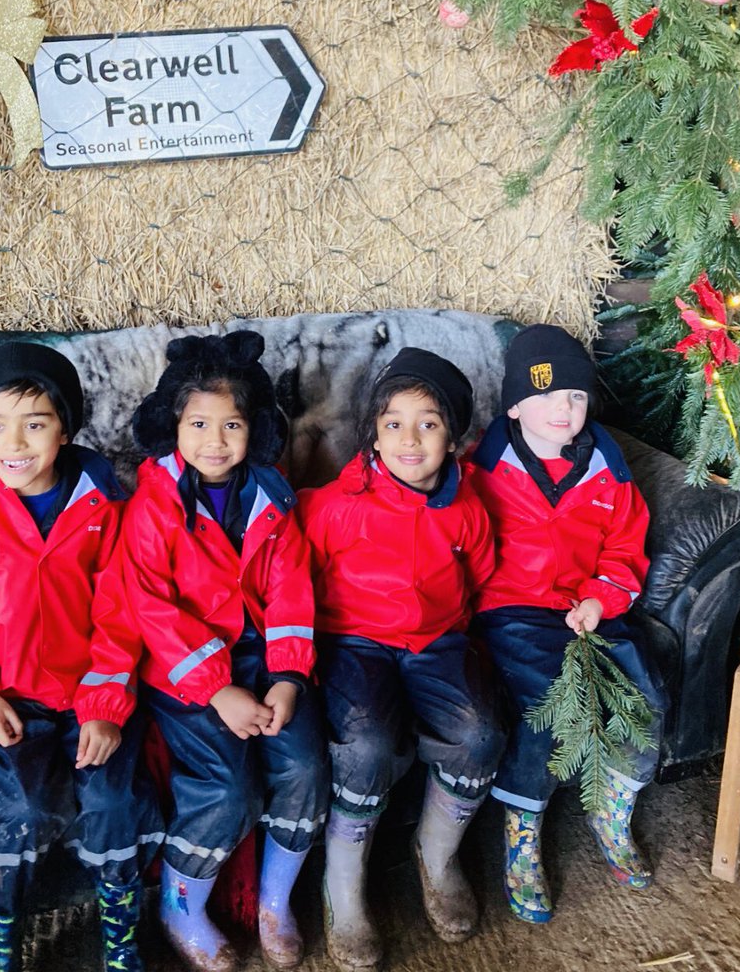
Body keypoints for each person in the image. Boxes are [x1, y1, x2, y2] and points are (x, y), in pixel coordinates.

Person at [0, 341, 161, 972]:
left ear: (65, 430)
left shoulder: (103, 510)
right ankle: (1, 933)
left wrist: (102, 708)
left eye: (35, 424)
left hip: (91, 698)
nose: (13, 443)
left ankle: (120, 935)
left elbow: (121, 614)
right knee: (14, 811)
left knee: (116, 805)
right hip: (10, 701)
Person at [121, 330, 328, 972]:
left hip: (264, 660)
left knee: (305, 767)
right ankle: (181, 905)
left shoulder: (273, 499)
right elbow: (150, 606)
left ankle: (274, 902)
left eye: (232, 424)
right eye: (199, 423)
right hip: (189, 672)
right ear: (172, 427)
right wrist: (217, 688)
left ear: (256, 429)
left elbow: (292, 590)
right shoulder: (153, 506)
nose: (216, 441)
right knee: (226, 790)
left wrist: (288, 678)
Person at [298, 347, 505, 972]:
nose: (409, 440)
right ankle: (344, 884)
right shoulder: (337, 506)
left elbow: (481, 575)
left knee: (482, 732)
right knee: (366, 746)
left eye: (429, 424)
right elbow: (298, 580)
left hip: (437, 641)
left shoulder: (466, 507)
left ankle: (436, 854)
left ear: (454, 435)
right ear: (373, 433)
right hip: (354, 641)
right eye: (393, 424)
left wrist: (456, 642)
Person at [468, 323, 667, 924]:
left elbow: (626, 553)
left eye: (577, 396)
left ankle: (613, 808)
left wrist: (601, 600)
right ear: (514, 405)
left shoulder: (610, 473)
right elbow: (462, 543)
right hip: (515, 610)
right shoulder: (482, 469)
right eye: (548, 394)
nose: (564, 407)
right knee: (553, 707)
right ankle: (522, 831)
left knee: (646, 699)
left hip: (590, 611)